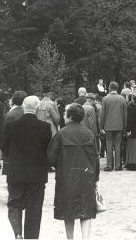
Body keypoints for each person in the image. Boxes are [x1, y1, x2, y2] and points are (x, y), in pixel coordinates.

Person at [3, 95, 52, 239]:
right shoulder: (45, 127)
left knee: (14, 203)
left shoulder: (11, 125)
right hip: (37, 173)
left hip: (16, 171)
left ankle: (18, 233)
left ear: (23, 107)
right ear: (37, 109)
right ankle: (32, 237)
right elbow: (48, 150)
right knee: (35, 208)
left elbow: (4, 148)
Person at [48, 103, 99, 240]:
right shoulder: (89, 134)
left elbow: (51, 157)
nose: (63, 116)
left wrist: (57, 166)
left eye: (65, 114)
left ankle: (70, 238)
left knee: (68, 211)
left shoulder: (61, 134)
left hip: (67, 177)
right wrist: (95, 178)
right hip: (86, 177)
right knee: (86, 210)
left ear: (70, 116)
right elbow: (95, 157)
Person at [100, 82, 127, 171]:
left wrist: (101, 127)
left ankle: (109, 165)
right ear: (117, 88)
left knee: (109, 145)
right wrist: (125, 127)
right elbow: (124, 115)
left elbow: (102, 114)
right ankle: (118, 166)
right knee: (118, 145)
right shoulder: (122, 99)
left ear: (109, 88)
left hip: (108, 126)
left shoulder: (105, 99)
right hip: (119, 125)